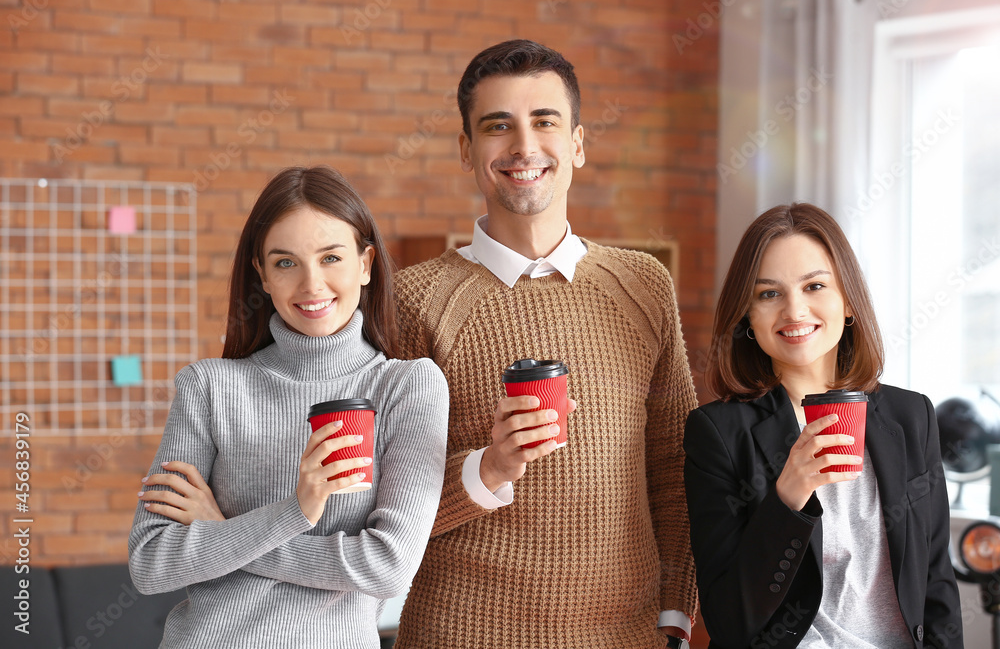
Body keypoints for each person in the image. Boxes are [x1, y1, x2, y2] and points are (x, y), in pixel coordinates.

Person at [393, 39, 699, 648]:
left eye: (544, 122)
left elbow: (674, 465)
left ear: (578, 144)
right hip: (456, 636)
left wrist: (676, 616)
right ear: (467, 150)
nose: (524, 147)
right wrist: (491, 467)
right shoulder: (412, 300)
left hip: (626, 639)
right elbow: (386, 497)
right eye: (497, 126)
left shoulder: (644, 286)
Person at [127, 166, 449, 649]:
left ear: (366, 264)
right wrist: (293, 513)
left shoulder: (407, 388)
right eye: (285, 263)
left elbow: (387, 568)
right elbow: (151, 564)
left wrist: (224, 533)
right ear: (261, 273)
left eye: (331, 257)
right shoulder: (210, 387)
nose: (311, 284)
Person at [684, 203, 963, 648]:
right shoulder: (717, 434)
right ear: (747, 319)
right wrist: (787, 500)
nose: (794, 311)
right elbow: (729, 621)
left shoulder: (912, 419)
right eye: (768, 294)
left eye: (814, 286)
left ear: (848, 301)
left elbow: (937, 585)